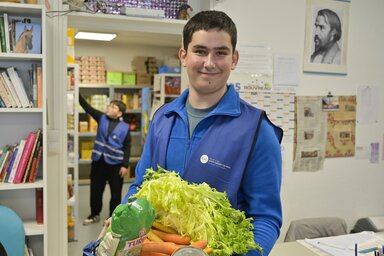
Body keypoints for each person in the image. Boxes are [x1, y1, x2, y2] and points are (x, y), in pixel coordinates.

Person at [122, 10, 283, 256]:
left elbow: (265, 218)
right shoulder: (163, 118)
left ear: (234, 59)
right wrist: (124, 221)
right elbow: (139, 187)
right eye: (200, 51)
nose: (209, 62)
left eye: (221, 52)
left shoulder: (258, 131)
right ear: (184, 56)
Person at [80, 94, 131, 225]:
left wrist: (125, 165)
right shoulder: (101, 118)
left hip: (116, 165)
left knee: (115, 193)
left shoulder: (125, 127)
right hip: (98, 162)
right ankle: (94, 214)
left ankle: (112, 218)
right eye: (109, 106)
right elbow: (87, 108)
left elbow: (127, 147)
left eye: (113, 107)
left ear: (119, 113)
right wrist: (77, 95)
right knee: (95, 189)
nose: (109, 108)